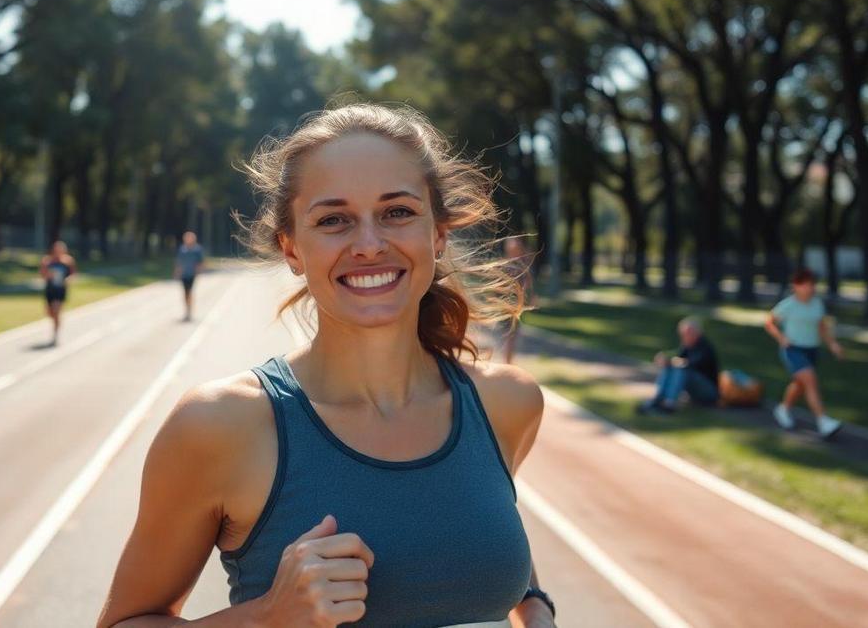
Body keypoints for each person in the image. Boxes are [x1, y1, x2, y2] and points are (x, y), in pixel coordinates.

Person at [97, 103, 556, 628]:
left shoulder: (507, 404)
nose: (368, 245)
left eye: (398, 212)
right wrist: (267, 617)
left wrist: (535, 604)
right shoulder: (220, 426)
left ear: (439, 234)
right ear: (291, 248)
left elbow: (472, 530)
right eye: (334, 220)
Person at [765, 268, 845, 439]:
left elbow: (821, 327)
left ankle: (783, 409)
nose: (810, 289)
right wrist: (782, 338)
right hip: (793, 349)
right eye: (806, 285)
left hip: (811, 349)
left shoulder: (817, 304)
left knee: (801, 385)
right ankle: (823, 421)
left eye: (812, 285)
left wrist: (832, 344)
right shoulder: (788, 305)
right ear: (796, 286)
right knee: (810, 380)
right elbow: (769, 322)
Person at [637, 316, 720, 414]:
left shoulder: (705, 347)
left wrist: (671, 361)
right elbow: (678, 358)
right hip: (695, 391)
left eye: (687, 334)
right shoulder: (688, 345)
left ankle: (669, 404)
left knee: (681, 370)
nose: (684, 337)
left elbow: (688, 364)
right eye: (683, 334)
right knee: (670, 367)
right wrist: (666, 360)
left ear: (697, 333)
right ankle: (659, 399)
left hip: (709, 393)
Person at [501, 237, 535, 364]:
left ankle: (508, 360)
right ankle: (507, 361)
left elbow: (528, 283)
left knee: (512, 335)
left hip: (517, 305)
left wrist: (530, 298)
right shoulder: (506, 265)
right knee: (509, 334)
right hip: (506, 305)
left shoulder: (522, 266)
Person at [39, 240, 76, 346]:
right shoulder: (47, 261)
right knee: (50, 313)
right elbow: (42, 274)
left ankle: (56, 335)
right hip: (49, 290)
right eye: (56, 249)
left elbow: (73, 275)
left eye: (61, 250)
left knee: (56, 311)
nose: (58, 252)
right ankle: (56, 323)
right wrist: (48, 275)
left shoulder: (68, 261)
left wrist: (67, 280)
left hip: (60, 290)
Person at [174, 231, 205, 321]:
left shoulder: (197, 249)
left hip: (192, 274)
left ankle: (189, 311)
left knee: (189, 292)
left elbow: (200, 262)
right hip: (184, 274)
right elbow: (179, 262)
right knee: (185, 293)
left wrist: (198, 271)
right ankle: (187, 310)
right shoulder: (182, 249)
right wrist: (177, 272)